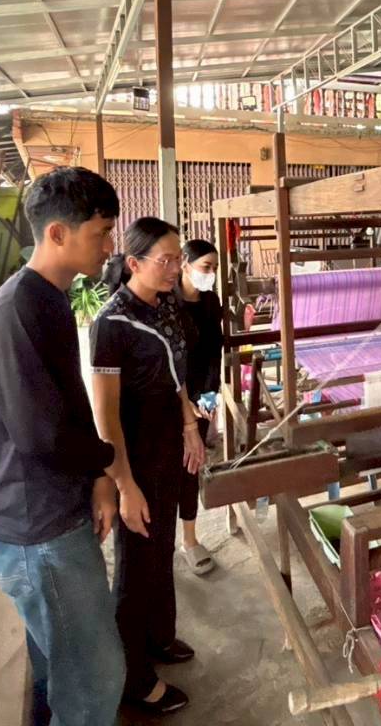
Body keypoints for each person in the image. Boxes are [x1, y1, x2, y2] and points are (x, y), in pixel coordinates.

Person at [0, 166, 125, 726]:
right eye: (100, 234)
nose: (108, 247)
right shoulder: (19, 310)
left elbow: (68, 405)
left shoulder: (51, 298)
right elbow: (43, 436)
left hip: (49, 514)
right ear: (57, 233)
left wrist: (99, 478)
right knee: (95, 677)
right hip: (37, 528)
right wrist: (107, 461)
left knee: (63, 668)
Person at [90, 218, 207, 716]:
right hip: (134, 455)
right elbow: (105, 415)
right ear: (134, 263)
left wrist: (190, 427)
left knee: (160, 548)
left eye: (179, 258)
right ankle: (134, 677)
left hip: (167, 447)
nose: (176, 267)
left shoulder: (166, 305)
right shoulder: (111, 324)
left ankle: (159, 636)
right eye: (167, 259)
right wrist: (124, 484)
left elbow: (178, 378)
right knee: (135, 564)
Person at [176, 238, 223, 576]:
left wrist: (209, 395)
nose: (211, 274)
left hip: (201, 395)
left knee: (192, 465)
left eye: (215, 268)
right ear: (185, 264)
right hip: (173, 394)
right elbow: (169, 359)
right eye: (206, 267)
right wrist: (184, 402)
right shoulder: (166, 302)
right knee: (168, 466)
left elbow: (213, 351)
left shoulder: (210, 302)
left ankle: (190, 540)